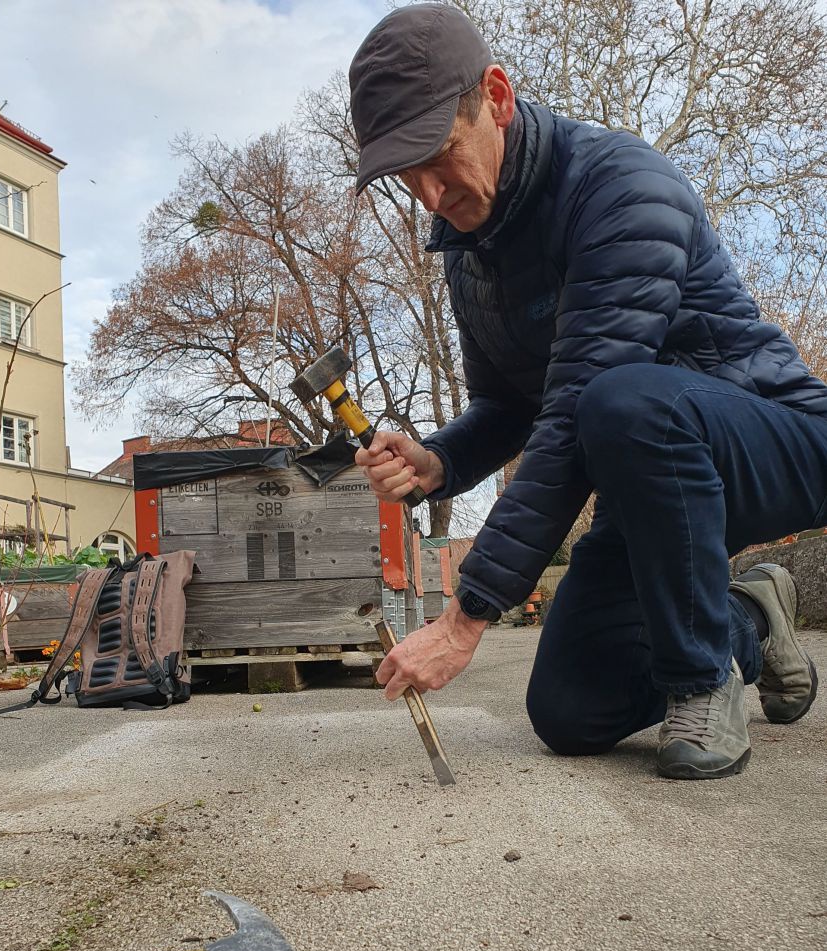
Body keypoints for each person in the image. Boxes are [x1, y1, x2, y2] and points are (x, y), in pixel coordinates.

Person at [348, 3, 827, 780]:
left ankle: (703, 680)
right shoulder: (472, 255)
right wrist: (438, 461)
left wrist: (465, 617)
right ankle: (745, 615)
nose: (430, 196)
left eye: (438, 155)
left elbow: (575, 408)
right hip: (654, 484)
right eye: (407, 174)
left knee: (623, 400)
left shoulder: (621, 186)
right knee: (572, 710)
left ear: (495, 98)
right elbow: (511, 406)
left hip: (779, 437)